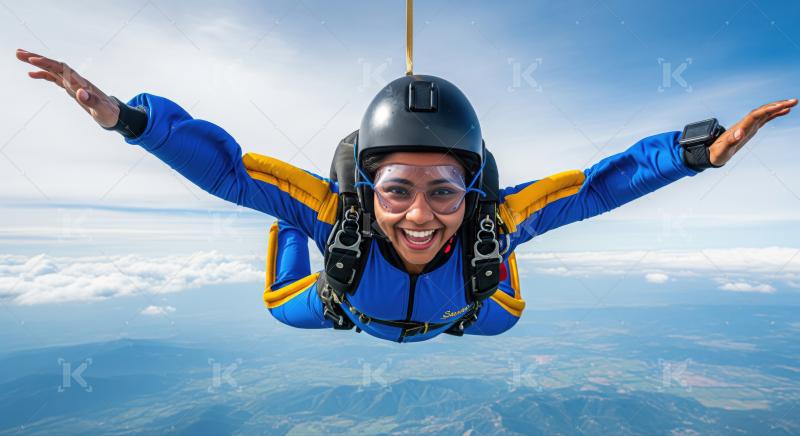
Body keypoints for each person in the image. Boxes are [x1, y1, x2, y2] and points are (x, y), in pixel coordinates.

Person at [16, 48, 797, 343]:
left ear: (471, 187)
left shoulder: (494, 217)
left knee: (504, 289)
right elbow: (227, 169)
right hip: (344, 305)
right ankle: (301, 237)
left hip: (474, 314)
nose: (420, 214)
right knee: (281, 279)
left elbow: (600, 187)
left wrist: (697, 154)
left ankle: (486, 263)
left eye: (445, 191)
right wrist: (131, 121)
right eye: (396, 190)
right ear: (367, 187)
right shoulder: (339, 212)